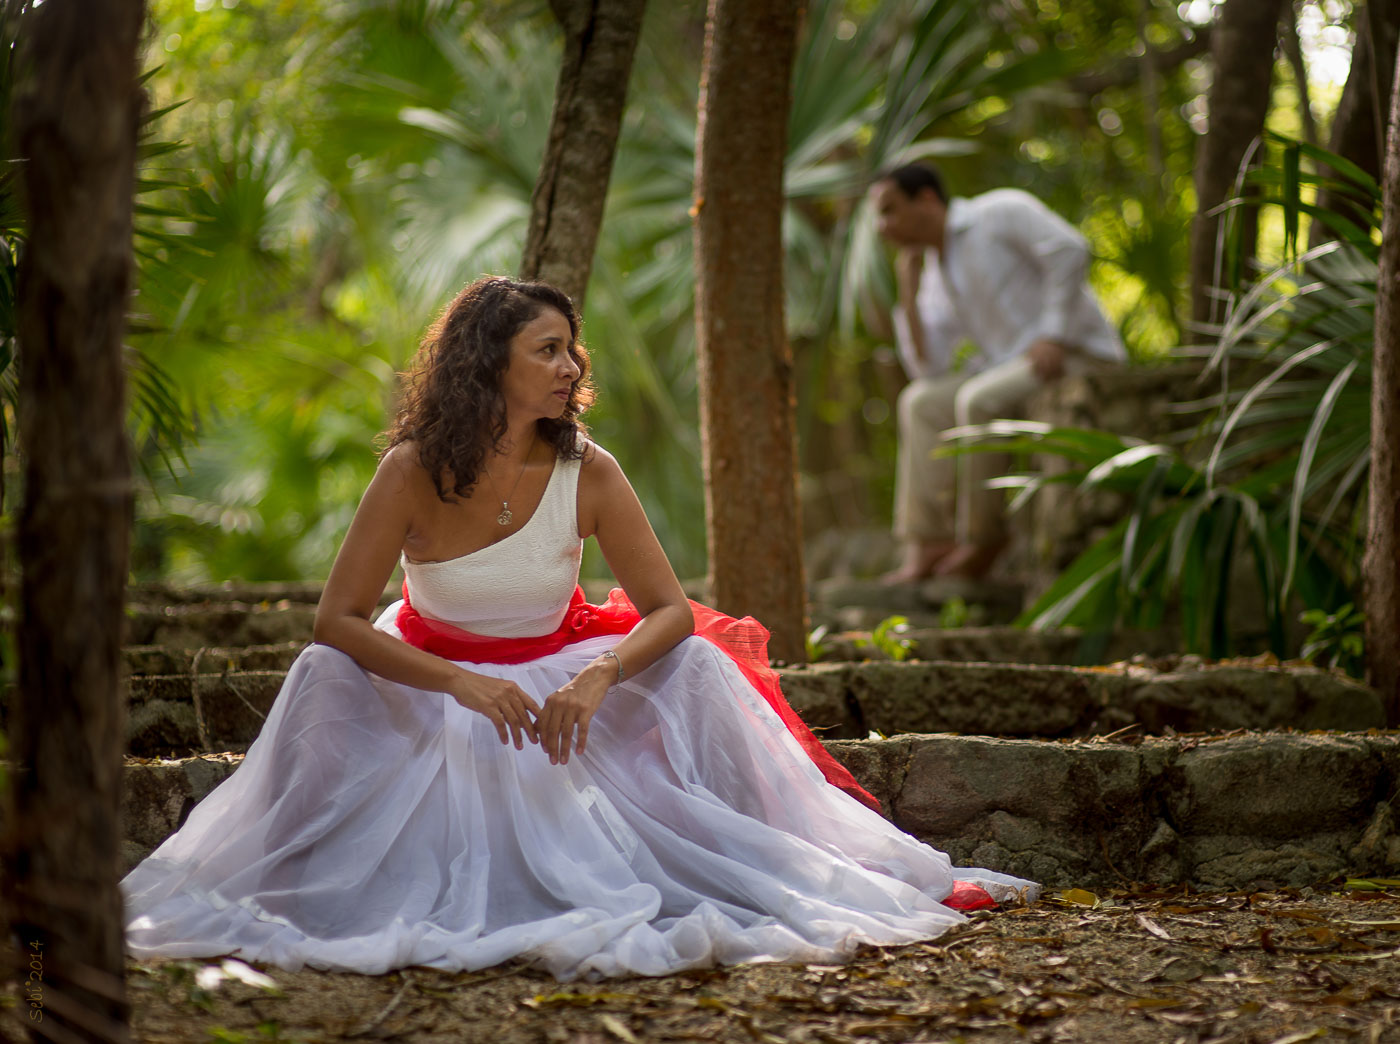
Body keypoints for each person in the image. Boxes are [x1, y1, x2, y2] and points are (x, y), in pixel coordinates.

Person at [122, 276, 1033, 979]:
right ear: (489, 365)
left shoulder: (588, 469)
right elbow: (336, 621)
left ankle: (744, 848)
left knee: (701, 667)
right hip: (441, 679)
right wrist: (461, 684)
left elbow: (672, 609)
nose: (571, 367)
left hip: (561, 670)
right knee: (320, 676)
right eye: (548, 349)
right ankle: (308, 858)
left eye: (572, 350)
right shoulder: (410, 472)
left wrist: (596, 678)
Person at [870, 163, 1127, 582]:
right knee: (919, 402)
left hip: (1079, 354)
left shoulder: (999, 211)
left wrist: (1054, 333)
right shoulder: (933, 272)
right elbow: (928, 370)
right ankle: (929, 540)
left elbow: (1069, 248)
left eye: (890, 209)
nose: (883, 227)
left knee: (976, 399)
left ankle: (983, 539)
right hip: (1014, 368)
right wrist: (909, 296)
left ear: (928, 199)